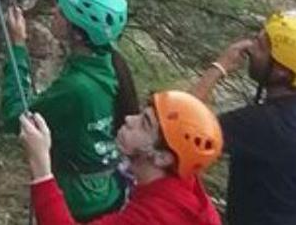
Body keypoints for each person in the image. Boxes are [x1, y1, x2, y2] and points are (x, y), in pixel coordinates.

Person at [2, 0, 140, 221]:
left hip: (75, 200)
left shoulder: (77, 88)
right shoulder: (109, 63)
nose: (54, 11)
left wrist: (17, 47)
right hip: (105, 189)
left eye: (62, 11)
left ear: (78, 34)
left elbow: (16, 117)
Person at [192, 10, 296, 225]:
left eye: (261, 47)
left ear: (282, 72)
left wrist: (220, 67)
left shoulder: (259, 124)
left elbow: (179, 125)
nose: (249, 48)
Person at [18, 90, 223, 225]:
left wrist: (41, 168)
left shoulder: (158, 215)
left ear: (162, 157)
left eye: (144, 124)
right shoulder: (178, 184)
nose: (128, 119)